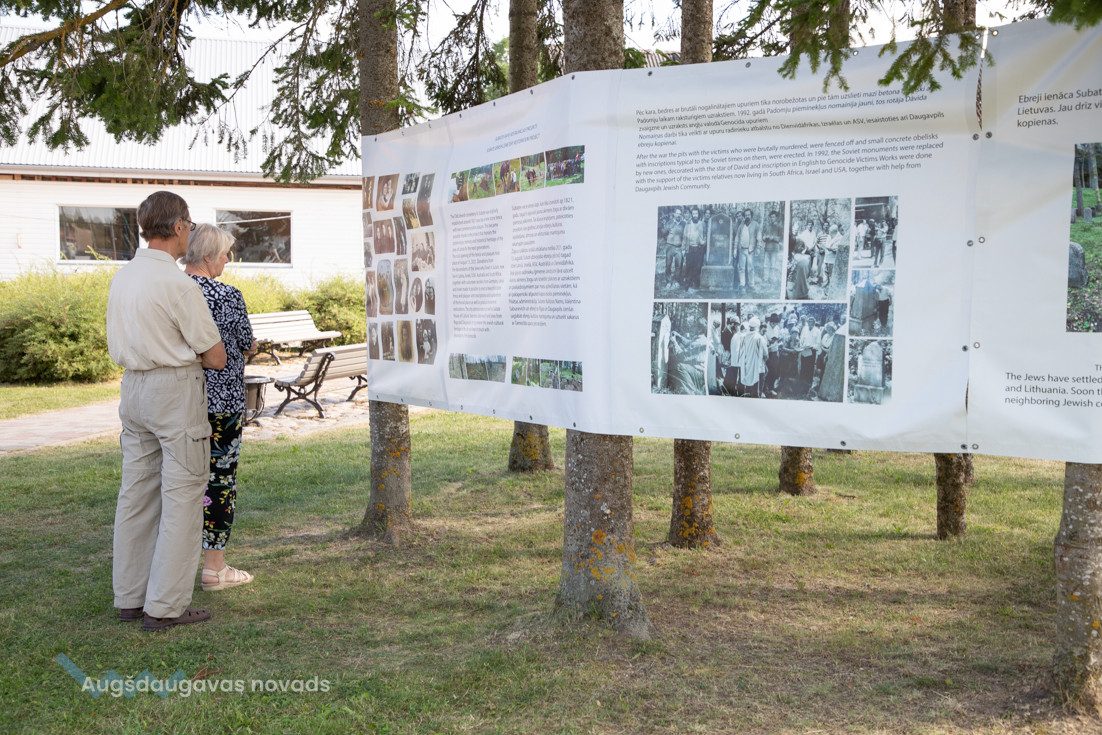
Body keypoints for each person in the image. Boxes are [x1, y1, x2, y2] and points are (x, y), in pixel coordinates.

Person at [106, 191, 227, 632]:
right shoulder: (178, 285)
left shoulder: (122, 278)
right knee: (183, 495)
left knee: (136, 494)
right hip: (173, 390)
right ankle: (165, 606)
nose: (189, 233)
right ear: (178, 227)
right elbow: (215, 355)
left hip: (133, 388)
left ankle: (130, 596)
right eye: (189, 226)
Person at [184, 224, 258, 593]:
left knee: (177, 483)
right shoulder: (226, 295)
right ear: (209, 256)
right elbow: (246, 342)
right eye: (225, 253)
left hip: (180, 402)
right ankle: (214, 569)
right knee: (219, 482)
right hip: (223, 405)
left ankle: (172, 567)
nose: (228, 259)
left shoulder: (172, 291)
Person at [732, 208, 760, 292]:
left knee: (750, 268)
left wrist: (758, 247)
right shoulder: (741, 225)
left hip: (750, 250)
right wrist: (735, 249)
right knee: (741, 268)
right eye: (746, 215)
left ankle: (751, 285)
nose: (747, 216)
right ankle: (742, 284)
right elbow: (737, 237)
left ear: (751, 215)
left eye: (749, 215)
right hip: (742, 250)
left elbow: (759, 237)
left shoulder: (755, 224)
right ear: (744, 216)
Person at [682, 208, 707, 289]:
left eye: (696, 213)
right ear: (691, 215)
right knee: (689, 266)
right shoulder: (688, 224)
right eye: (693, 214)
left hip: (699, 248)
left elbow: (705, 234)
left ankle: (696, 284)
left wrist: (704, 242)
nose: (695, 215)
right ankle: (687, 283)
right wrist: (683, 248)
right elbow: (684, 237)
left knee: (697, 266)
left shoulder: (702, 224)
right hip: (690, 247)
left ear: (698, 214)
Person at [761, 210, 783, 280]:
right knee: (765, 264)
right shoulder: (767, 226)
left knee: (773, 264)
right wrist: (764, 237)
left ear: (776, 218)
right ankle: (765, 278)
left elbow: (780, 238)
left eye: (773, 217)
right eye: (771, 217)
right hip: (767, 247)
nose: (772, 218)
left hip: (774, 248)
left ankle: (772, 278)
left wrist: (773, 237)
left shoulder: (779, 227)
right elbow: (763, 236)